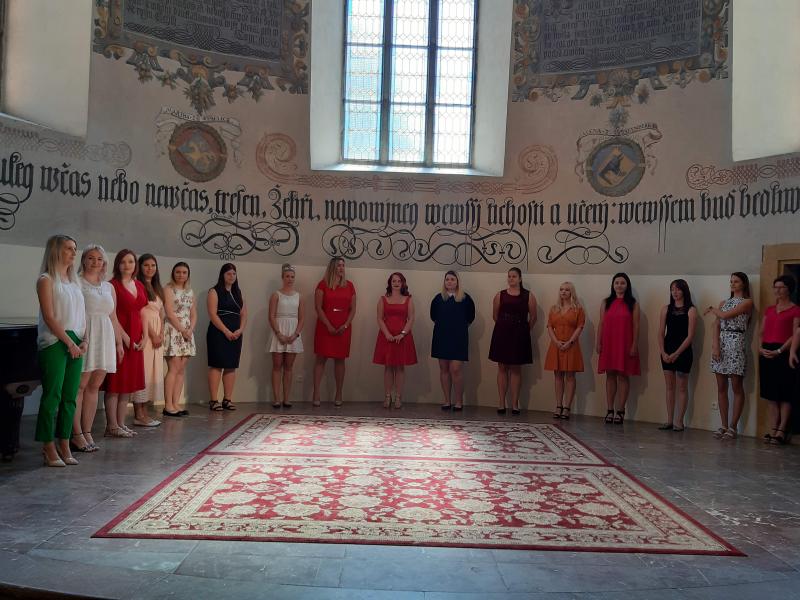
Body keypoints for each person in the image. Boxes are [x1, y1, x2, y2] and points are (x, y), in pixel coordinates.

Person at [36, 235, 87, 467]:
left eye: (75, 248)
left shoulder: (75, 282)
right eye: (69, 248)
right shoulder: (46, 280)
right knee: (52, 396)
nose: (74, 253)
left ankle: (65, 443)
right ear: (56, 250)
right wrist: (69, 343)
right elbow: (49, 317)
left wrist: (84, 340)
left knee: (70, 397)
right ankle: (48, 446)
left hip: (76, 340)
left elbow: (82, 314)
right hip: (55, 341)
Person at [73, 245, 122, 452]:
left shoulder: (108, 287)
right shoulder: (76, 282)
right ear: (83, 260)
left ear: (104, 263)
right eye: (91, 258)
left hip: (105, 336)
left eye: (99, 259)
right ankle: (76, 434)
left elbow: (113, 316)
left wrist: (119, 342)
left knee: (94, 386)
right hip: (86, 335)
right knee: (80, 386)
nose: (95, 262)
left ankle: (87, 431)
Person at [704, 272, 754, 440]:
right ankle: (724, 425)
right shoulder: (723, 303)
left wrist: (712, 309)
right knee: (721, 387)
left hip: (736, 341)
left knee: (736, 386)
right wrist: (715, 345)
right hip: (722, 342)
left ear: (743, 284)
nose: (732, 284)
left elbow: (725, 315)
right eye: (731, 281)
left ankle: (733, 426)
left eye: (736, 281)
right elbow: (717, 325)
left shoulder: (747, 302)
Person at [103, 249, 147, 438]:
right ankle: (111, 425)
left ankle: (121, 423)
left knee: (128, 384)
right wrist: (126, 339)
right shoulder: (111, 285)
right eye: (123, 262)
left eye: (130, 261)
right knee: (115, 384)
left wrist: (145, 336)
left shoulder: (139, 284)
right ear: (117, 265)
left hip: (137, 338)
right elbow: (111, 315)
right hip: (119, 337)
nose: (127, 265)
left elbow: (143, 312)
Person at [758, 275, 800, 445]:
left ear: (789, 289)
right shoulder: (769, 309)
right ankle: (773, 428)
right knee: (771, 394)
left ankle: (782, 430)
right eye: (775, 287)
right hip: (767, 350)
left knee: (785, 393)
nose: (777, 290)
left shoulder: (795, 309)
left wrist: (780, 350)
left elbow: (795, 333)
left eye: (781, 287)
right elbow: (762, 332)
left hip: (784, 352)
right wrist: (760, 347)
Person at [488, 268, 536, 415]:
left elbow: (533, 317)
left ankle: (515, 404)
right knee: (502, 367)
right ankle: (501, 403)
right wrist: (505, 326)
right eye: (509, 276)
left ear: (520, 278)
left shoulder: (528, 295)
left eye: (514, 276)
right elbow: (495, 315)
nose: (511, 279)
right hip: (502, 333)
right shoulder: (500, 295)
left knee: (516, 369)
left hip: (519, 334)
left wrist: (523, 330)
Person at [312, 257, 356, 407]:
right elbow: (318, 307)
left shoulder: (350, 286)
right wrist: (328, 325)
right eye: (338, 265)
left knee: (340, 360)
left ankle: (339, 393)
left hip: (343, 327)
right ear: (332, 268)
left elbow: (353, 309)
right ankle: (316, 393)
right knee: (320, 359)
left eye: (343, 265)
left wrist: (346, 325)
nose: (341, 268)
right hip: (325, 327)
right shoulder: (322, 285)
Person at [597, 272, 640, 425]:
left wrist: (634, 344)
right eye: (617, 283)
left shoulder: (633, 303)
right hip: (608, 343)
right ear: (613, 285)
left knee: (623, 376)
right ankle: (610, 409)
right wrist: (598, 342)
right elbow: (601, 323)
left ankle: (621, 410)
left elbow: (636, 326)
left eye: (622, 283)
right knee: (610, 375)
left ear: (627, 285)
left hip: (625, 343)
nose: (619, 285)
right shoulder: (606, 302)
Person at [430, 270, 475, 411]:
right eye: (447, 279)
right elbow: (433, 316)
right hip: (441, 337)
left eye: (452, 279)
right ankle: (447, 401)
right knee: (444, 369)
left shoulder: (466, 299)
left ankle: (459, 401)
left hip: (459, 338)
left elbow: (470, 318)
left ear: (457, 282)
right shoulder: (438, 298)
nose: (449, 282)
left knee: (456, 369)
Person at [657, 279, 697, 432]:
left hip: (683, 352)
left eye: (678, 289)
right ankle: (669, 420)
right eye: (672, 289)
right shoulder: (665, 309)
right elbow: (661, 332)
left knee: (682, 387)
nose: (675, 292)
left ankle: (679, 421)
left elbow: (690, 336)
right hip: (667, 350)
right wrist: (663, 352)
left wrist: (676, 353)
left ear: (684, 291)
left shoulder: (691, 310)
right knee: (669, 387)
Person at [373, 272, 417, 409]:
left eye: (399, 281)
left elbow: (411, 318)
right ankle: (387, 397)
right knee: (388, 367)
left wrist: (402, 334)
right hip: (387, 337)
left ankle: (398, 397)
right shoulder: (383, 299)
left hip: (402, 338)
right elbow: (379, 318)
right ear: (390, 283)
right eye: (394, 281)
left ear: (403, 283)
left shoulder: (408, 299)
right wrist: (387, 334)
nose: (396, 283)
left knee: (400, 367)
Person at [207, 263, 247, 411]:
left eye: (234, 274)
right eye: (228, 273)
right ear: (222, 275)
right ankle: (213, 400)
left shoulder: (238, 293)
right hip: (218, 332)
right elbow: (212, 314)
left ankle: (227, 399)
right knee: (217, 365)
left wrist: (240, 330)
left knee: (231, 366)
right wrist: (226, 331)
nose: (231, 276)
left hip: (235, 334)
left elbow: (244, 314)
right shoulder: (214, 291)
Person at [131, 253, 164, 427]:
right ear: (140, 267)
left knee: (152, 372)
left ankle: (145, 413)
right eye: (146, 265)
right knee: (142, 372)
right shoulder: (138, 286)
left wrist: (161, 333)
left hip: (157, 333)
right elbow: (141, 312)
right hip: (145, 332)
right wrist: (152, 334)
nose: (150, 268)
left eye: (153, 265)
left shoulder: (157, 287)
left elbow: (162, 314)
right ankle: (138, 414)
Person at [544, 281, 585, 420]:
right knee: (557, 375)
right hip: (556, 345)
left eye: (567, 290)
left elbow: (580, 327)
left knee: (570, 376)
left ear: (571, 292)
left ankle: (567, 407)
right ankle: (558, 405)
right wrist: (556, 342)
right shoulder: (554, 308)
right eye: (561, 289)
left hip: (571, 345)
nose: (563, 292)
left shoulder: (578, 309)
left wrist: (569, 342)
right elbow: (550, 326)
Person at [162, 262, 196, 417]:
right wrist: (182, 330)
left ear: (188, 274)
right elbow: (169, 313)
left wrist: (190, 330)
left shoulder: (190, 291)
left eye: (184, 272)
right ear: (173, 273)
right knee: (173, 368)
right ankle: (168, 405)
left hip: (187, 332)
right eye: (178, 272)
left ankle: (176, 403)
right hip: (174, 330)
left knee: (181, 370)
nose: (181, 275)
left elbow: (193, 313)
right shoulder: (168, 289)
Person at [268, 263, 304, 408]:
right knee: (277, 365)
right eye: (287, 276)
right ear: (282, 277)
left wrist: (295, 334)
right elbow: (271, 316)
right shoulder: (276, 295)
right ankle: (277, 398)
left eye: (292, 277)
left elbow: (302, 318)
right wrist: (278, 333)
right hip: (279, 331)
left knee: (289, 367)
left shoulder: (299, 296)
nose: (290, 279)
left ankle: (287, 398)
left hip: (293, 332)